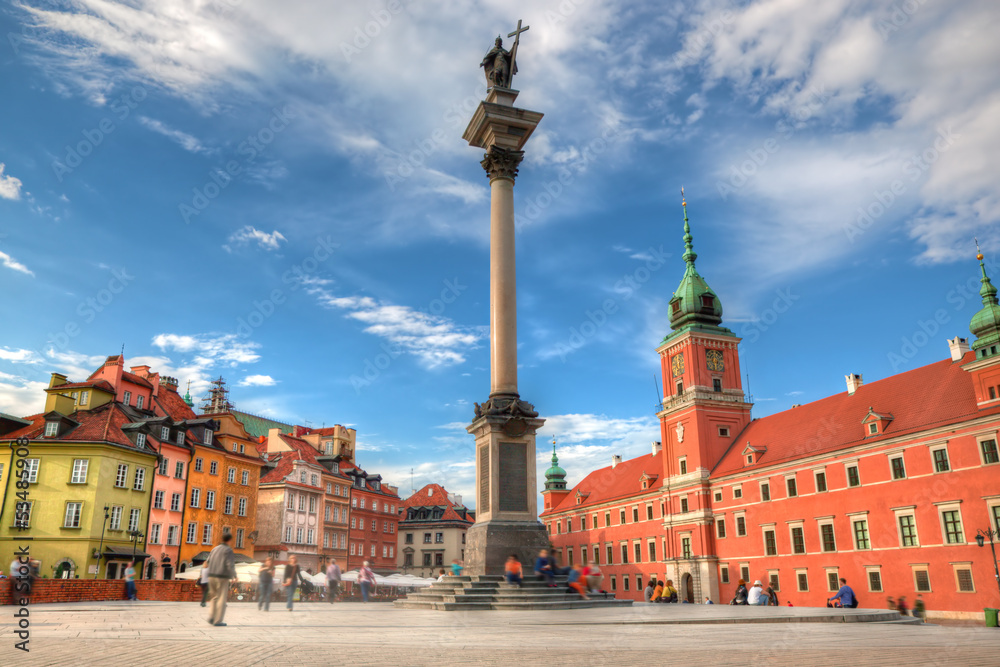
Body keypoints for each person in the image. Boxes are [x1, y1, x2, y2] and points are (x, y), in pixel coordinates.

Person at [205, 533, 237, 627]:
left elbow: (207, 562)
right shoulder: (228, 550)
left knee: (214, 597)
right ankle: (217, 620)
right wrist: (234, 575)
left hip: (211, 575)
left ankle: (211, 616)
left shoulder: (215, 548)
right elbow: (229, 564)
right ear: (229, 540)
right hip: (222, 576)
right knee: (221, 599)